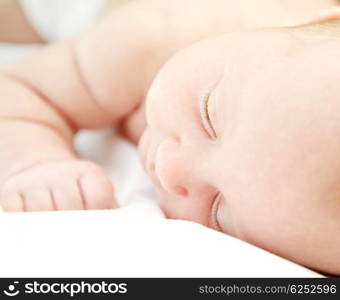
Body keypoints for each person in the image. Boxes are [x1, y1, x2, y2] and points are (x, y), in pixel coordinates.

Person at [0, 0, 339, 274]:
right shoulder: (153, 37)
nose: (168, 166)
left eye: (219, 212)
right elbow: (18, 88)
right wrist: (35, 162)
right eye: (208, 114)